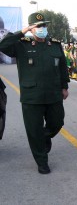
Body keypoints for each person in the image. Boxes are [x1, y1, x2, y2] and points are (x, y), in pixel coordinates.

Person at [0, 12, 69, 174]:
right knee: (34, 130)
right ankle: (41, 161)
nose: (42, 29)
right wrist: (22, 32)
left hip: (53, 94)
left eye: (44, 25)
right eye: (38, 26)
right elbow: (2, 46)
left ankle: (44, 137)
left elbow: (62, 68)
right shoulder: (21, 44)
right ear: (31, 29)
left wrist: (64, 86)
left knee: (57, 123)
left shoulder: (55, 45)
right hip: (32, 96)